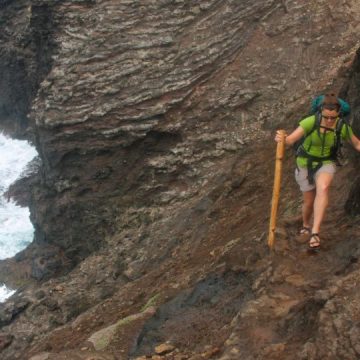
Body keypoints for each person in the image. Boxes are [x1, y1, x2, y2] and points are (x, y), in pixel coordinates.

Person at [275, 93, 360, 250]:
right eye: (326, 117)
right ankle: (306, 224)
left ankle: (315, 232)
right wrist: (282, 139)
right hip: (304, 163)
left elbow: (356, 144)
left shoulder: (342, 126)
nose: (329, 121)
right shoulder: (311, 121)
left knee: (323, 188)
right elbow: (290, 140)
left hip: (326, 162)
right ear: (320, 111)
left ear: (338, 114)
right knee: (308, 202)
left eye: (332, 118)